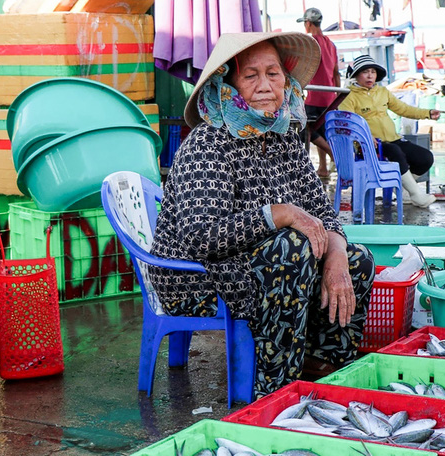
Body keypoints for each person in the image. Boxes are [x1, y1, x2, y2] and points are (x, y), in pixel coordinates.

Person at [150, 32, 375, 399]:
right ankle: (277, 386)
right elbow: (201, 237)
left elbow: (319, 210)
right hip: (198, 277)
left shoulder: (284, 133)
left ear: (286, 80)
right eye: (250, 75)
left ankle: (324, 367)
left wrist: (335, 255)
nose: (265, 85)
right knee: (291, 249)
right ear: (228, 84)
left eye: (273, 73)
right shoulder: (208, 144)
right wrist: (278, 214)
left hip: (260, 267)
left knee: (356, 259)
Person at [338, 55, 442, 208]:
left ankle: (402, 187)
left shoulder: (383, 92)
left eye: (373, 72)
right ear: (356, 75)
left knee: (425, 157)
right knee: (394, 152)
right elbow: (347, 122)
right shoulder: (349, 96)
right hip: (368, 145)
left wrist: (427, 113)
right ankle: (415, 194)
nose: (370, 76)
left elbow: (403, 109)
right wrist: (364, 137)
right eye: (365, 72)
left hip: (393, 139)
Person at [297, 7, 341, 178]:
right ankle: (323, 167)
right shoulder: (331, 44)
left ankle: (332, 154)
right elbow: (336, 73)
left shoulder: (310, 43)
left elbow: (302, 69)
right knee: (321, 132)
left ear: (308, 24)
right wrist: (337, 98)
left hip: (314, 95)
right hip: (330, 95)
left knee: (306, 130)